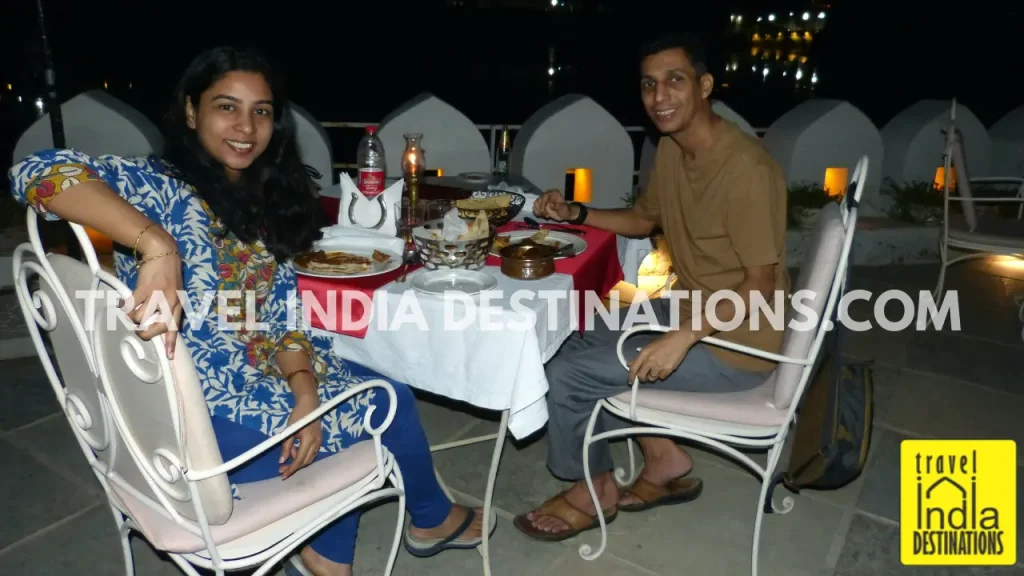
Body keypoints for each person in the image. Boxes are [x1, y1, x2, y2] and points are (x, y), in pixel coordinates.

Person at [7, 46, 490, 576]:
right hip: (186, 416)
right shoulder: (161, 186)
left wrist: (304, 390)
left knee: (384, 394)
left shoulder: (259, 202)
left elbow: (279, 319)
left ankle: (382, 533)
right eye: (226, 107)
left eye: (260, 110)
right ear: (191, 113)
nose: (246, 125)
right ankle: (377, 542)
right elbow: (36, 168)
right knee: (367, 418)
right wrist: (156, 244)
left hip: (253, 378)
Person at [514, 31, 790, 540]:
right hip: (691, 307)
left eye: (675, 81)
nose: (659, 97)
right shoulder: (670, 148)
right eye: (648, 85)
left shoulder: (747, 170)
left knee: (572, 374)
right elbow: (645, 219)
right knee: (568, 334)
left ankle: (591, 487)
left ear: (704, 85)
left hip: (740, 342)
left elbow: (761, 286)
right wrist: (576, 212)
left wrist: (683, 337)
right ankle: (663, 459)